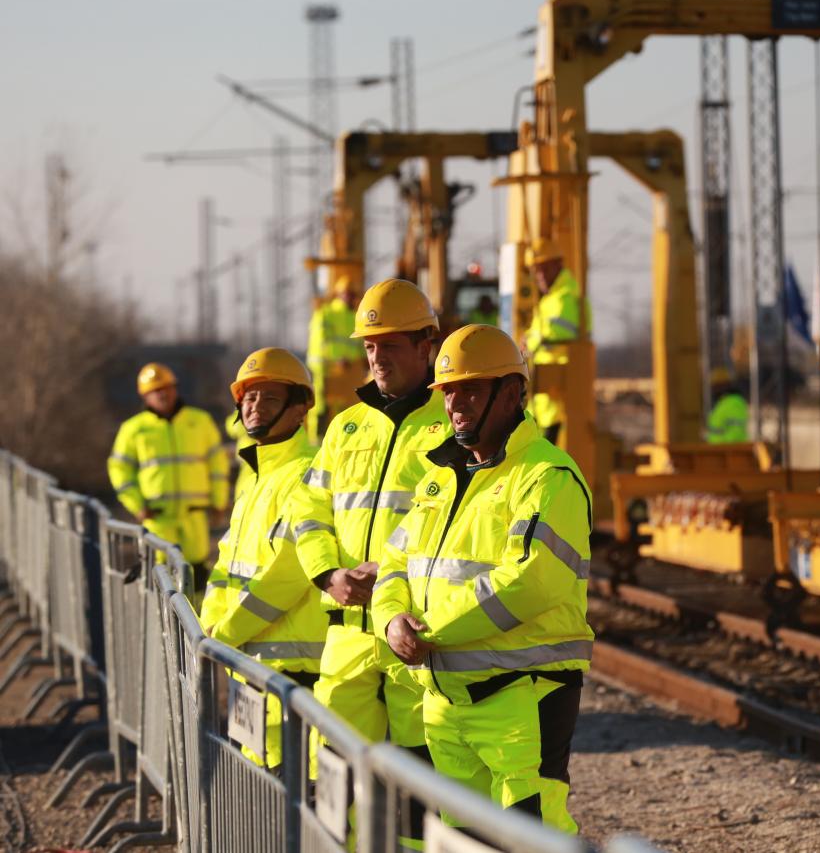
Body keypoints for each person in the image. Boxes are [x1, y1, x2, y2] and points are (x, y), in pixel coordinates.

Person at [373, 324, 593, 834]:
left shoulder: (546, 476)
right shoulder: (439, 478)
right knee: (464, 841)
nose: (455, 405)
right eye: (448, 391)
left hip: (523, 695)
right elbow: (394, 564)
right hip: (447, 701)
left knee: (536, 836)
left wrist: (423, 631)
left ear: (512, 393)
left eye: (470, 390)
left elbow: (533, 583)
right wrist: (389, 622)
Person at [291, 278, 448, 768]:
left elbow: (458, 517)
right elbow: (309, 508)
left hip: (415, 633)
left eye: (391, 345)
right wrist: (329, 575)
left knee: (419, 777)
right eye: (370, 346)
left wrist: (392, 569)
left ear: (427, 346)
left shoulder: (451, 423)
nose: (377, 357)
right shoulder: (345, 426)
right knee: (339, 776)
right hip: (348, 633)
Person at [200, 347, 326, 768]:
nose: (255, 407)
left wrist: (224, 634)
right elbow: (226, 567)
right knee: (259, 800)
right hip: (248, 665)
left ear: (300, 409)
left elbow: (289, 572)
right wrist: (207, 628)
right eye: (249, 398)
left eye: (270, 398)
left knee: (294, 803)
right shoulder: (256, 478)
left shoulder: (308, 473)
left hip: (292, 673)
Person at [108, 363, 229, 585]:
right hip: (157, 517)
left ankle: (198, 618)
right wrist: (136, 505)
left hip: (195, 516)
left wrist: (219, 501)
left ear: (175, 388)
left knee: (198, 576)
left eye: (166, 387)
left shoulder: (200, 421)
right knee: (160, 577)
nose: (162, 394)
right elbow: (119, 468)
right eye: (155, 390)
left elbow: (218, 464)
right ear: (144, 395)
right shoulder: (133, 429)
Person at [522, 241, 590, 445]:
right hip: (545, 391)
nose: (538, 276)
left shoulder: (565, 298)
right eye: (536, 271)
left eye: (543, 270)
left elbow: (555, 335)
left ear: (557, 266)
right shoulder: (551, 299)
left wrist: (528, 341)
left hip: (557, 389)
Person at [306, 277, 364, 440]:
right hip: (326, 371)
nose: (349, 298)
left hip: (349, 373)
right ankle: (317, 441)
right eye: (346, 294)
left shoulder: (355, 317)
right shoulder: (325, 313)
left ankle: (342, 440)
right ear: (338, 295)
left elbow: (360, 347)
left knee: (347, 411)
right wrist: (333, 361)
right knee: (321, 408)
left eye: (352, 295)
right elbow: (318, 344)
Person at [704, 367, 749, 444]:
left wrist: (721, 446)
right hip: (720, 452)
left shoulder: (734, 403)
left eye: (716, 385)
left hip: (729, 452)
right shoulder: (722, 404)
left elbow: (735, 434)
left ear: (724, 385)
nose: (714, 389)